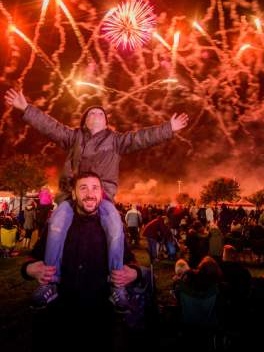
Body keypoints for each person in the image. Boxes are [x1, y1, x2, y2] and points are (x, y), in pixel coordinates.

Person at [5, 88, 188, 309]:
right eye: (91, 113)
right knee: (56, 223)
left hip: (105, 198)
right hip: (72, 198)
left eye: (101, 113)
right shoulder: (74, 137)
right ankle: (49, 282)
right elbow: (50, 126)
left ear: (106, 122)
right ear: (84, 121)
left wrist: (169, 128)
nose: (97, 115)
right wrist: (26, 108)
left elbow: (141, 138)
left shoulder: (116, 141)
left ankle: (117, 284)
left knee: (114, 225)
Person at [21, 172, 144, 351]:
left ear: (101, 193)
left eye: (95, 188)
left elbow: (130, 261)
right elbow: (34, 258)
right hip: (59, 316)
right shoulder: (57, 225)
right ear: (74, 194)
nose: (89, 193)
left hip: (99, 317)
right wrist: (30, 269)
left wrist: (134, 273)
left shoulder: (111, 227)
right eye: (83, 188)